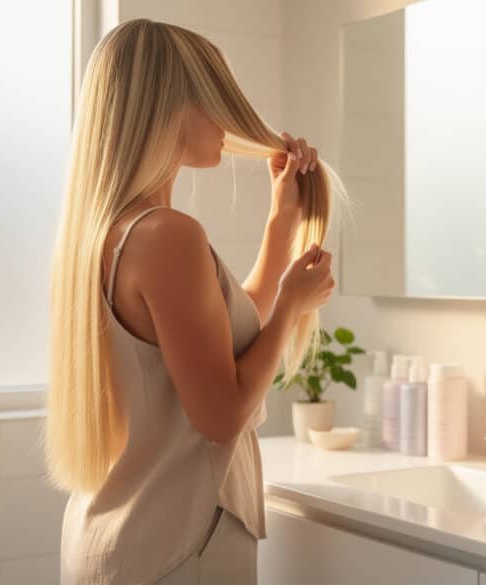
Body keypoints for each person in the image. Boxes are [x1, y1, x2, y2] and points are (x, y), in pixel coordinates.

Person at [45, 19, 338, 585]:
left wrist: (281, 226)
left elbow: (210, 344)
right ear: (168, 108)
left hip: (116, 538)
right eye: (214, 98)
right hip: (178, 550)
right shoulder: (167, 235)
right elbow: (222, 415)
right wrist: (290, 309)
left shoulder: (106, 232)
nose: (227, 121)